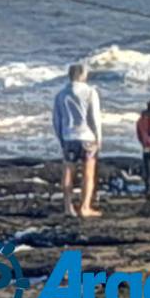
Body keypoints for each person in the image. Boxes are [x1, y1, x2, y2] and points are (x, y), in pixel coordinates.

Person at [52, 64, 103, 218]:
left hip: (69, 136)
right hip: (87, 136)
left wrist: (61, 137)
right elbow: (94, 117)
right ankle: (85, 207)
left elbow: (56, 120)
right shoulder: (90, 92)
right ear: (82, 75)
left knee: (68, 172)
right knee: (88, 172)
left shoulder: (60, 95)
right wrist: (99, 137)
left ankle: (68, 207)